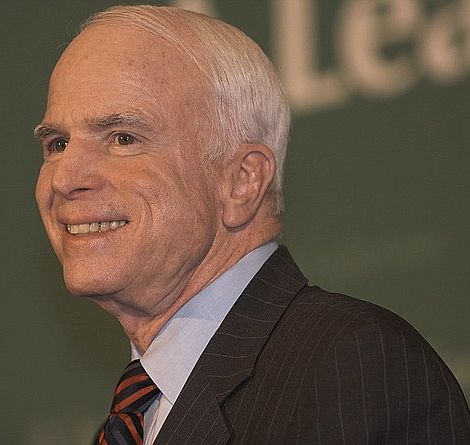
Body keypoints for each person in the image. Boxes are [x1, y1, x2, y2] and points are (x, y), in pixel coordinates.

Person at [34, 5, 470, 444]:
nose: (66, 179)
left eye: (123, 139)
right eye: (57, 143)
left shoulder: (355, 370)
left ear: (242, 181)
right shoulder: (128, 425)